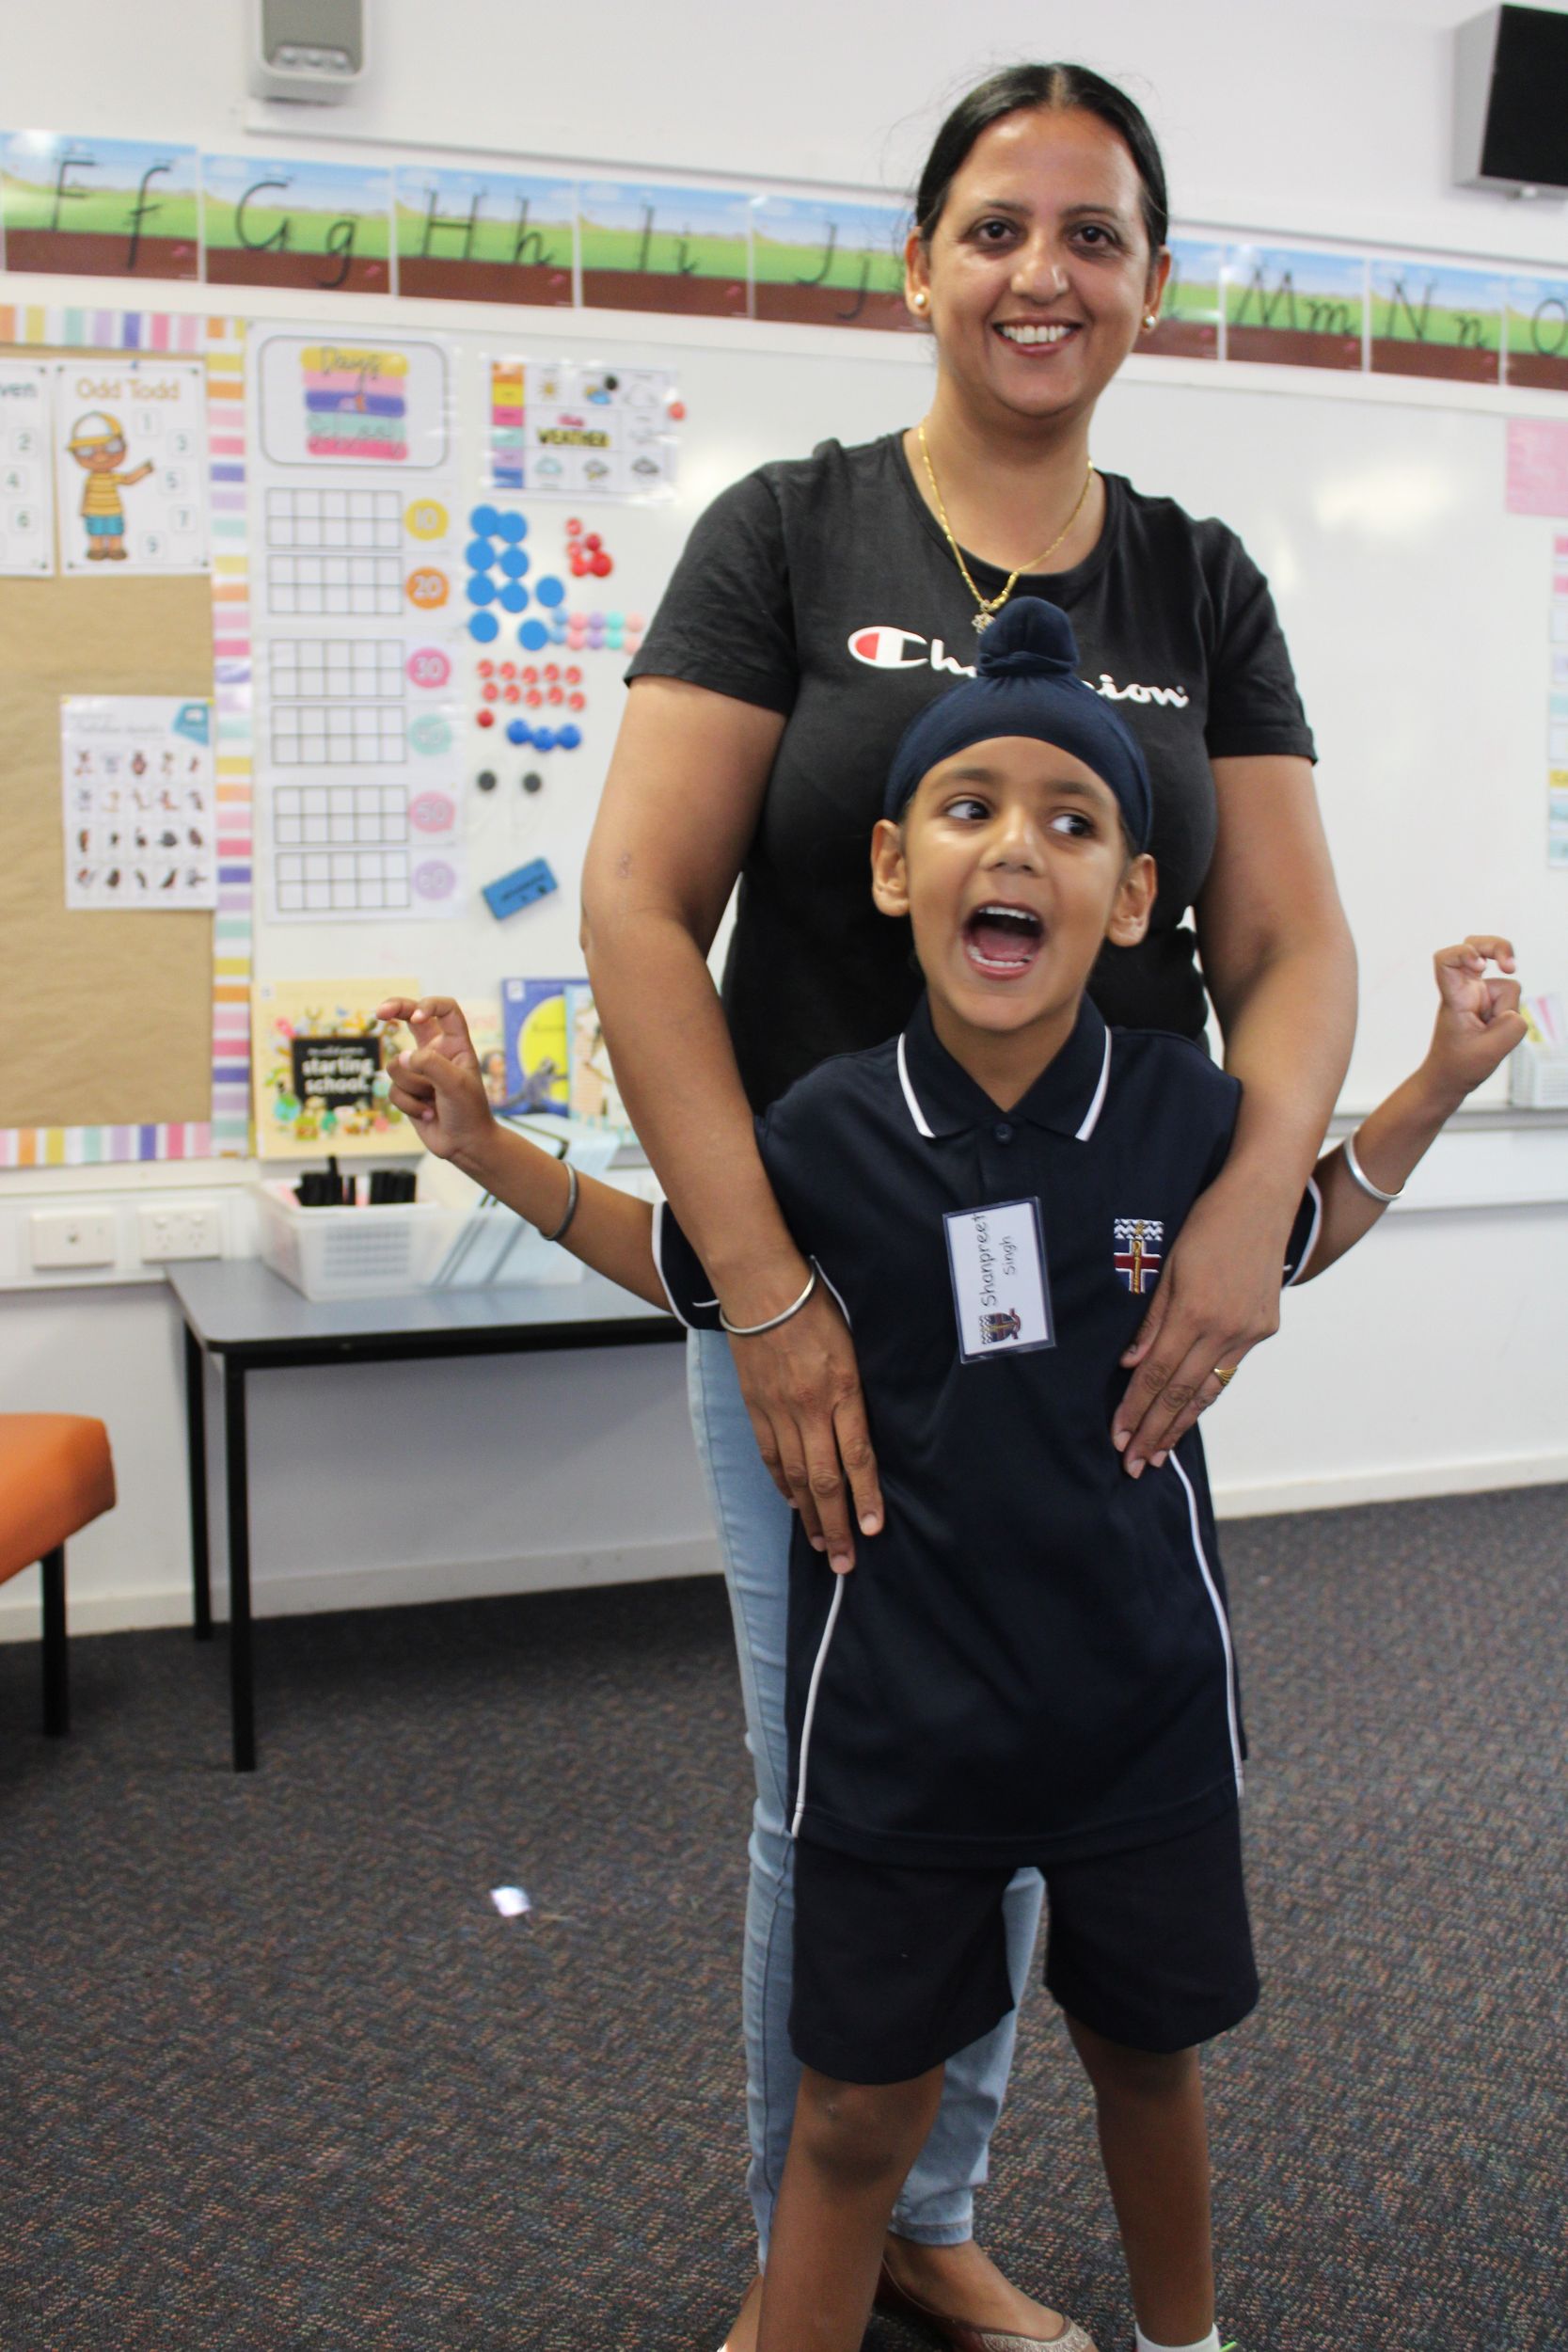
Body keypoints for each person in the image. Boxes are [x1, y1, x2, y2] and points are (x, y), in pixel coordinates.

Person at [380, 599, 1525, 2352]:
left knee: (1149, 2059)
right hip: (902, 1732)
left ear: (1133, 900)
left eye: (1074, 822)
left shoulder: (1183, 1111)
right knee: (852, 2115)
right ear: (893, 867)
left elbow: (1305, 1226)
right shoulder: (826, 1130)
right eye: (969, 808)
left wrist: (1440, 1077)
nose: (1018, 849)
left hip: (1142, 1709)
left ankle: (1188, 2343)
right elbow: (683, 1260)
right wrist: (482, 1146)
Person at [577, 59, 1358, 2350]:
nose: (1045, 272)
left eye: (1095, 233)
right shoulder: (792, 532)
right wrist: (763, 1290)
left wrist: (1253, 1207)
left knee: (1056, 1739)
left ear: (1151, 285)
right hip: (822, 1291)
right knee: (846, 1785)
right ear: (920, 264)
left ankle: (928, 2212)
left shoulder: (1197, 578)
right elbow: (637, 905)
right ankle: (821, 2239)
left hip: (1105, 1289)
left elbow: (1293, 942)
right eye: (999, 226)